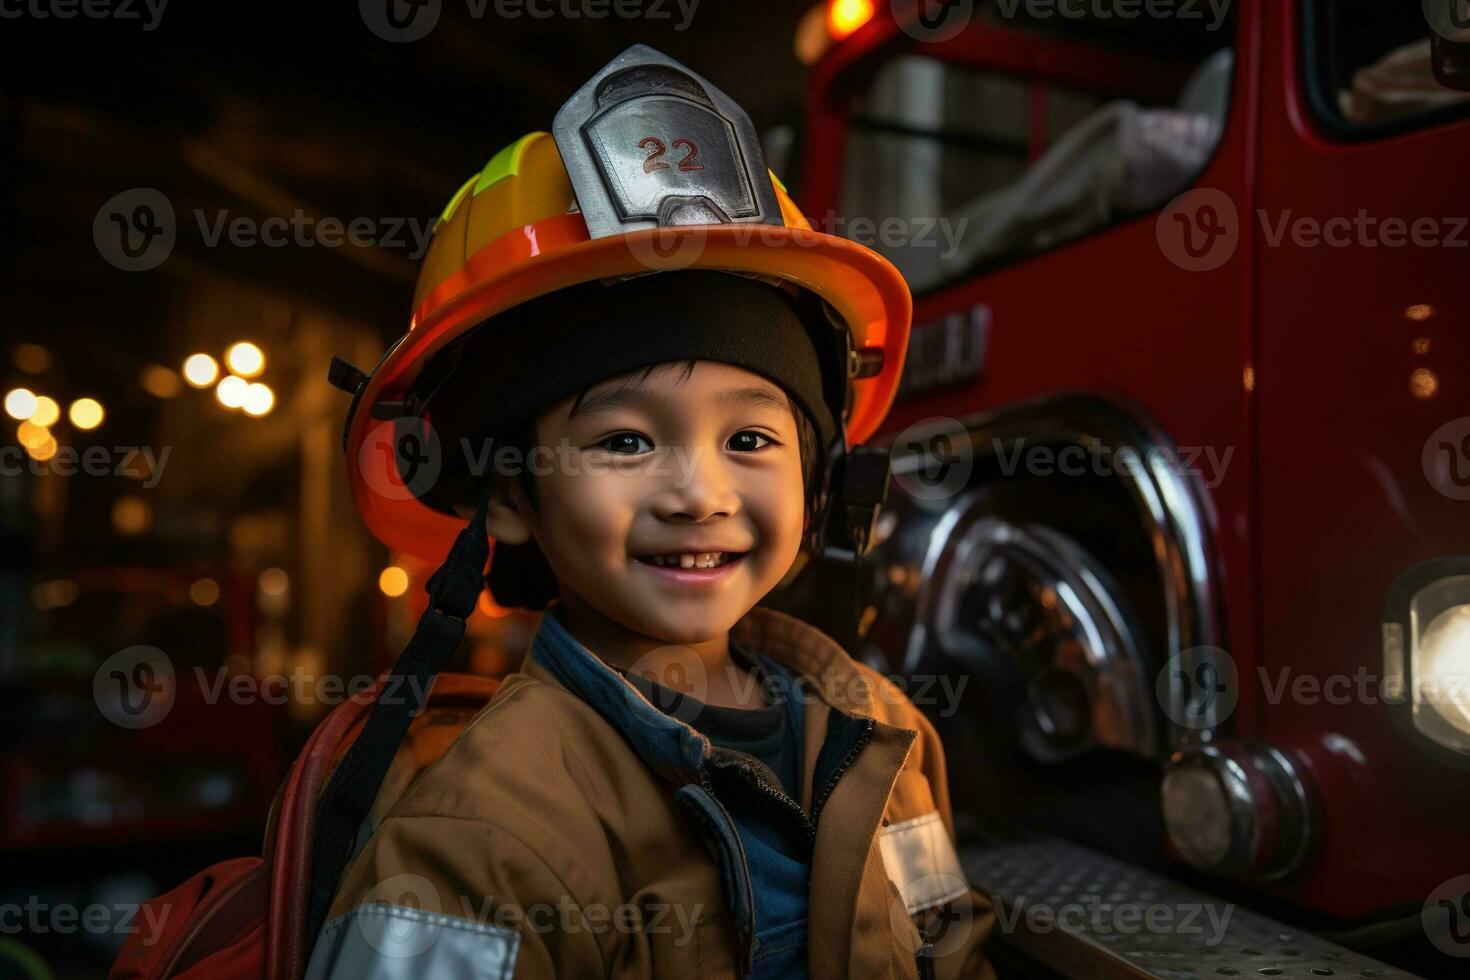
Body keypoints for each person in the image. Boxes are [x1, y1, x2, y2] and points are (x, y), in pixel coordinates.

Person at [306, 44, 996, 980]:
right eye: (625, 442)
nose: (701, 494)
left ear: (821, 483)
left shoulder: (880, 730)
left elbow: (948, 948)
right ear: (510, 495)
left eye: (751, 440)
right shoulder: (475, 840)